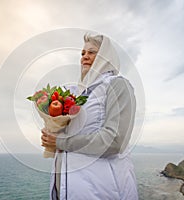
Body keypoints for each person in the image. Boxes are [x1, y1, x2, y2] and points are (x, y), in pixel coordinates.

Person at [41, 33, 138, 200]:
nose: (85, 57)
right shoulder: (79, 94)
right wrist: (53, 129)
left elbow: (114, 141)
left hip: (102, 190)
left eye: (91, 52)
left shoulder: (117, 85)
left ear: (105, 57)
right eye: (82, 53)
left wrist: (59, 141)